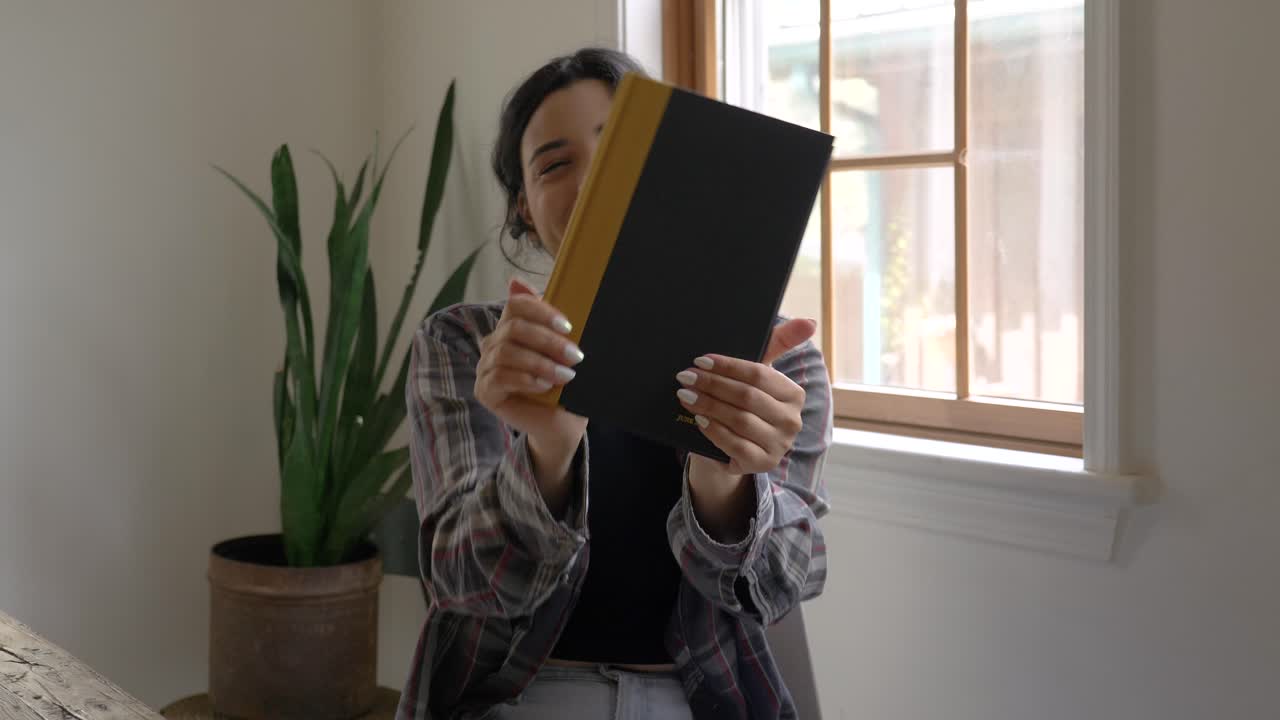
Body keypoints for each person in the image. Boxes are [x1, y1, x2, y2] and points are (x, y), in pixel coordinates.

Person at [395, 47, 832, 720]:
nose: (594, 181)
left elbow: (787, 583)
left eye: (622, 152)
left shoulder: (772, 361)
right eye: (555, 164)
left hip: (697, 702)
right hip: (518, 699)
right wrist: (545, 451)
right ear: (524, 209)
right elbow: (459, 582)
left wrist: (725, 480)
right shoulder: (467, 345)